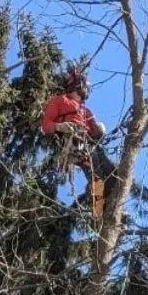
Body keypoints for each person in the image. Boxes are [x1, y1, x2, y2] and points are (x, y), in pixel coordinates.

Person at [40, 70, 116, 217]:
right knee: (96, 175)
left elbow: (95, 132)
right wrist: (59, 126)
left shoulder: (85, 111)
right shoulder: (59, 101)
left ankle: (113, 203)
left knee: (110, 169)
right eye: (85, 87)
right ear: (78, 85)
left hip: (90, 142)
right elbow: (45, 125)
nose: (86, 90)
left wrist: (99, 131)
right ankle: (99, 211)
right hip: (72, 142)